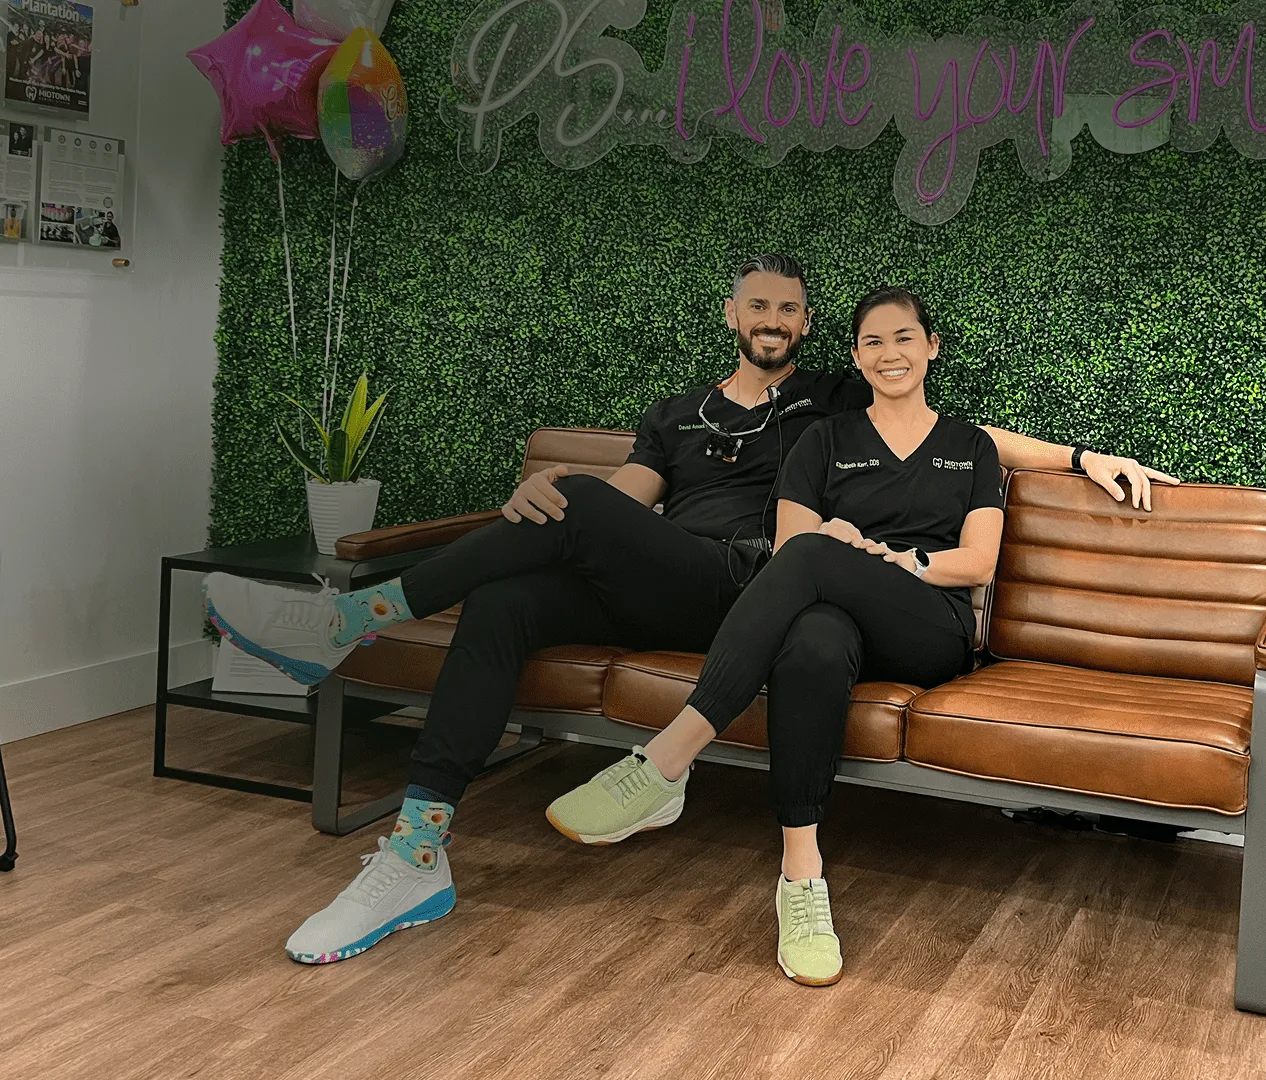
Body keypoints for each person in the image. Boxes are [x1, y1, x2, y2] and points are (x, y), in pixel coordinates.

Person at [202, 254, 1178, 965]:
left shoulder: (831, 400)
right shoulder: (673, 415)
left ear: (808, 326)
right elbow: (624, 505)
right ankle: (418, 852)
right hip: (664, 581)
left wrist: (1082, 456)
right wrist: (546, 505)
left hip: (749, 584)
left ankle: (351, 622)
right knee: (507, 595)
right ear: (731, 313)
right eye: (759, 305)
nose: (774, 321)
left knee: (586, 508)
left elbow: (965, 434)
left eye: (790, 309)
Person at [547, 286, 1003, 985]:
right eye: (873, 341)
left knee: (818, 557)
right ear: (856, 356)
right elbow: (792, 547)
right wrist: (841, 552)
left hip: (927, 620)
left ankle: (667, 760)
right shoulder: (824, 438)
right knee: (811, 645)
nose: (890, 353)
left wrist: (895, 559)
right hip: (837, 609)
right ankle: (801, 878)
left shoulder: (969, 445)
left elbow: (977, 563)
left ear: (931, 347)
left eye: (904, 337)